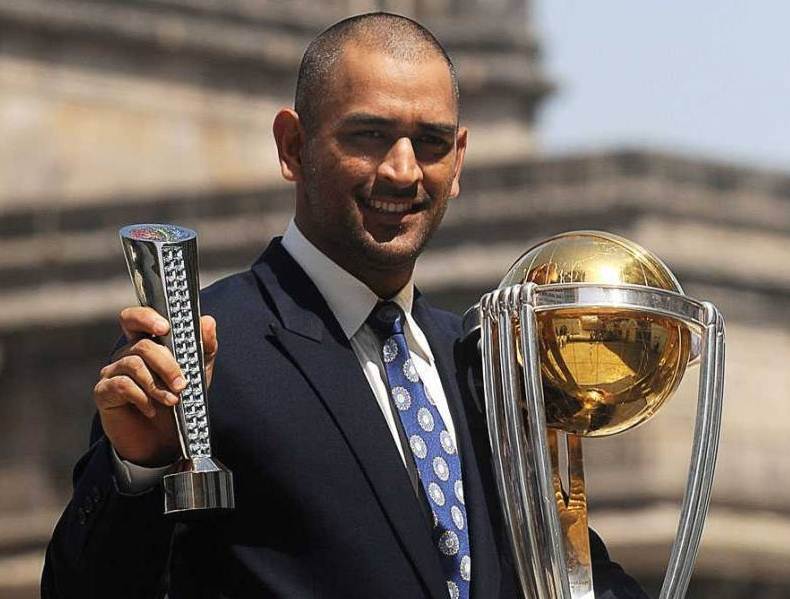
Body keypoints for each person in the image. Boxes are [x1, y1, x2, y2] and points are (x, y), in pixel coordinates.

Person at [42, 13, 645, 599]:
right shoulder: (199, 356)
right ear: (293, 146)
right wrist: (138, 470)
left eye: (431, 143)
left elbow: (568, 573)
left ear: (458, 160)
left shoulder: (483, 364)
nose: (403, 170)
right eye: (369, 135)